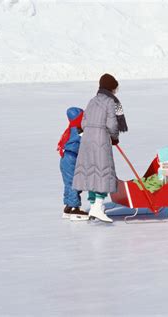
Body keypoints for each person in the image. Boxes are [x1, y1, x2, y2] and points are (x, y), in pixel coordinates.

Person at [73, 74, 128, 223]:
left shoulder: (92, 100)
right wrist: (115, 137)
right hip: (100, 139)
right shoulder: (110, 102)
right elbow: (111, 124)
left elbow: (84, 121)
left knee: (92, 172)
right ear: (111, 87)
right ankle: (97, 207)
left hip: (87, 139)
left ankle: (93, 206)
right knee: (103, 171)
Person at [57, 107, 89, 221]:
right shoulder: (78, 131)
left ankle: (68, 207)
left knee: (69, 183)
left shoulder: (72, 128)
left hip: (66, 158)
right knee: (74, 183)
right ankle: (75, 208)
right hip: (70, 158)